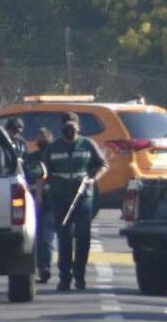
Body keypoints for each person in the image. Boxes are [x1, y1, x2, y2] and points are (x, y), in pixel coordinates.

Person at [36, 112, 108, 291]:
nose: (70, 130)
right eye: (66, 127)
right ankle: (65, 277)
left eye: (72, 127)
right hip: (60, 197)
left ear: (78, 127)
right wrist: (39, 196)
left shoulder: (88, 144)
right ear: (61, 128)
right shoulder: (53, 148)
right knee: (64, 238)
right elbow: (42, 173)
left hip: (83, 197)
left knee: (83, 236)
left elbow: (103, 164)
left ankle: (80, 276)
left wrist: (93, 179)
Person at [26, 128, 55, 284]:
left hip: (50, 201)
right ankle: (39, 267)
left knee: (46, 236)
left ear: (51, 137)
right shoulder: (31, 157)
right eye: (39, 136)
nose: (41, 139)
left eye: (44, 136)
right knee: (35, 236)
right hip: (32, 201)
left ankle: (45, 267)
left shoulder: (54, 157)